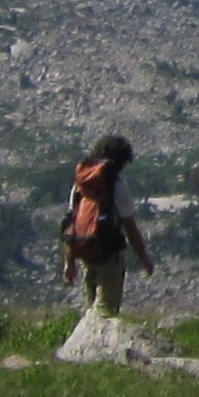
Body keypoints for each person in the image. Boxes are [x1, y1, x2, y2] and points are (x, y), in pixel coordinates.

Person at [61, 134, 151, 314]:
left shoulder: (81, 186)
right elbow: (130, 228)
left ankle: (89, 330)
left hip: (86, 253)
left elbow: (72, 225)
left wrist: (69, 263)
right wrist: (145, 260)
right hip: (110, 256)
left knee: (91, 308)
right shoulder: (118, 187)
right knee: (106, 312)